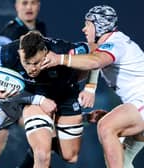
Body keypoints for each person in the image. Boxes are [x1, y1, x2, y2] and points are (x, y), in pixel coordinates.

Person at [42, 5, 144, 168]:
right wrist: (90, 87)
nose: (84, 29)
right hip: (138, 105)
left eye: (88, 24)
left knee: (106, 127)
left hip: (141, 102)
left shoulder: (115, 44)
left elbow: (95, 61)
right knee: (120, 159)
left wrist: (59, 59)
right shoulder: (112, 43)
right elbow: (96, 56)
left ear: (100, 25)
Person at [0, 31, 97, 168]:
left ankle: (75, 122)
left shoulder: (62, 49)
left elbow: (96, 50)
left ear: (45, 51)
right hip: (35, 99)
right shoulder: (9, 52)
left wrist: (90, 87)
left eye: (36, 63)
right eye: (26, 63)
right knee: (42, 154)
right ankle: (41, 145)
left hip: (66, 95)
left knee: (70, 156)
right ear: (20, 52)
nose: (31, 69)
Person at [0, 0, 46, 167]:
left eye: (33, 3)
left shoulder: (40, 28)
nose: (29, 7)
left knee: (45, 135)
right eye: (24, 3)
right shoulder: (11, 31)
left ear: (39, 5)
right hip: (7, 98)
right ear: (16, 6)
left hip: (25, 97)